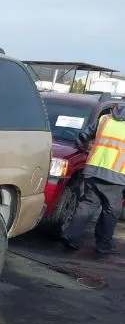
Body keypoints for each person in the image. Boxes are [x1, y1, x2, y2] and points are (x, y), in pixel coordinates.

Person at [61, 102, 125, 255]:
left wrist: (86, 148)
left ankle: (71, 236)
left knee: (88, 204)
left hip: (93, 169)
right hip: (116, 174)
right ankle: (103, 244)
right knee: (111, 210)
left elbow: (83, 137)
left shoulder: (105, 119)